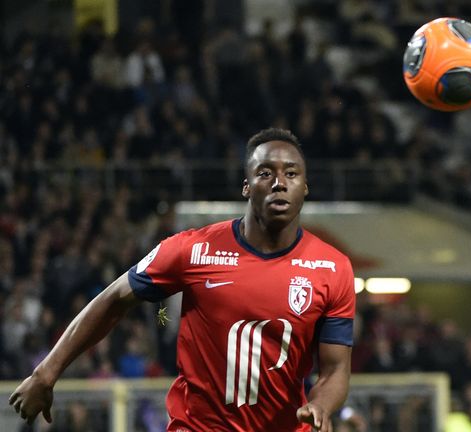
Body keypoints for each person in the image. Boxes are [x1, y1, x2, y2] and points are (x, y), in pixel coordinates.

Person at [9, 128, 357, 431]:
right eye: (266, 173)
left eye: (291, 174)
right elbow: (113, 299)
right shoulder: (192, 250)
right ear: (246, 187)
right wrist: (46, 372)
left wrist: (322, 406)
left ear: (306, 186)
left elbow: (335, 369)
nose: (280, 183)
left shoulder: (332, 267)